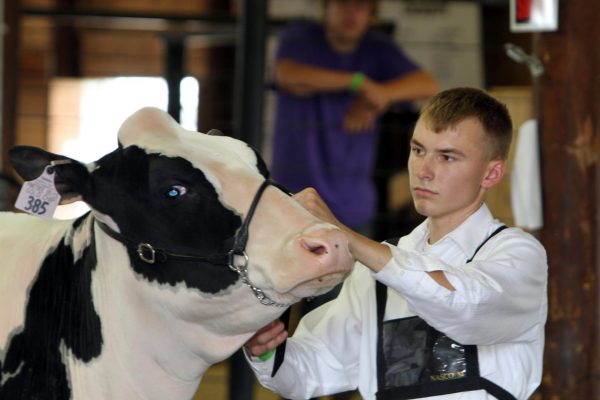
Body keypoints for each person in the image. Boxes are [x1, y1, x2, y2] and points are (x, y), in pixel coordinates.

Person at [244, 87, 548, 400]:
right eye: (418, 150)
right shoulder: (374, 271)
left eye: (447, 157)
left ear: (491, 173)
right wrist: (266, 349)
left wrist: (345, 237)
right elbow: (312, 370)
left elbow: (466, 307)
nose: (424, 171)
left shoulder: (518, 255)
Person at [270, 0, 438, 236]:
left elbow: (427, 84)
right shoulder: (301, 37)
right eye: (343, 4)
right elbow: (289, 75)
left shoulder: (377, 47)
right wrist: (359, 83)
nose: (351, 13)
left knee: (355, 271)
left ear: (372, 14)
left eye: (361, 6)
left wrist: (379, 97)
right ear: (326, 7)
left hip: (352, 207)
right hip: (293, 198)